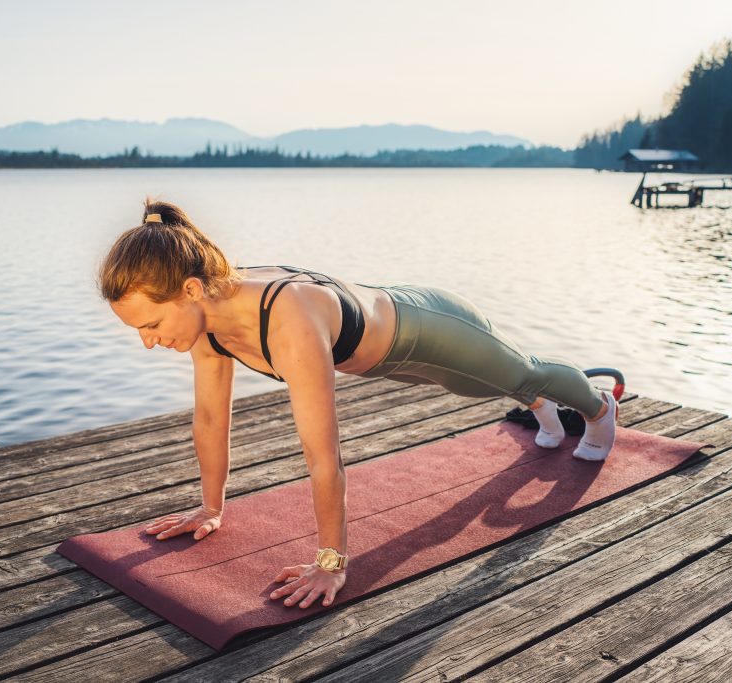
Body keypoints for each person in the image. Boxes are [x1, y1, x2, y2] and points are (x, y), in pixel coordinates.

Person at [99, 199, 618, 610]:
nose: (148, 341)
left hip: (430, 326)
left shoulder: (289, 319)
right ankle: (539, 406)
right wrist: (211, 508)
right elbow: (211, 419)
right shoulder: (205, 322)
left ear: (190, 289)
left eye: (150, 324)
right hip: (383, 357)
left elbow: (324, 456)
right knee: (473, 388)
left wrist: (331, 561)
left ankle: (596, 409)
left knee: (517, 372)